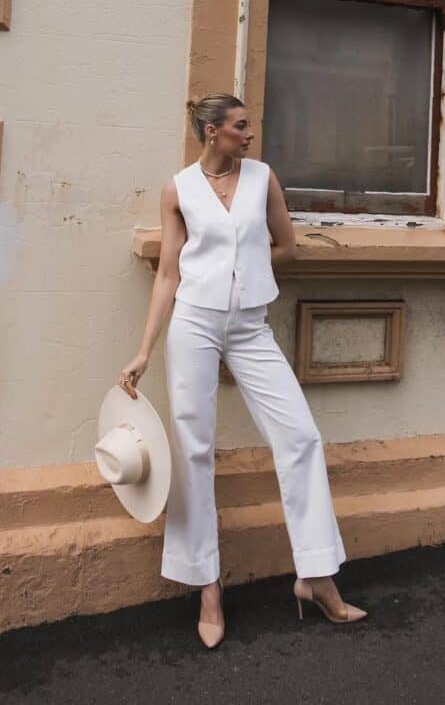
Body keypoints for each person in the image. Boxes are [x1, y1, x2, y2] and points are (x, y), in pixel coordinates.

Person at [118, 93, 367, 648]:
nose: (249, 134)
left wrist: (245, 267)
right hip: (195, 324)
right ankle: (208, 588)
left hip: (251, 326)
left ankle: (317, 575)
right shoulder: (178, 190)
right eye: (239, 126)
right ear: (211, 131)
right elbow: (166, 276)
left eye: (248, 125)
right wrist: (144, 350)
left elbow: (287, 246)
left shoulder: (262, 179)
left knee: (301, 436)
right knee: (195, 448)